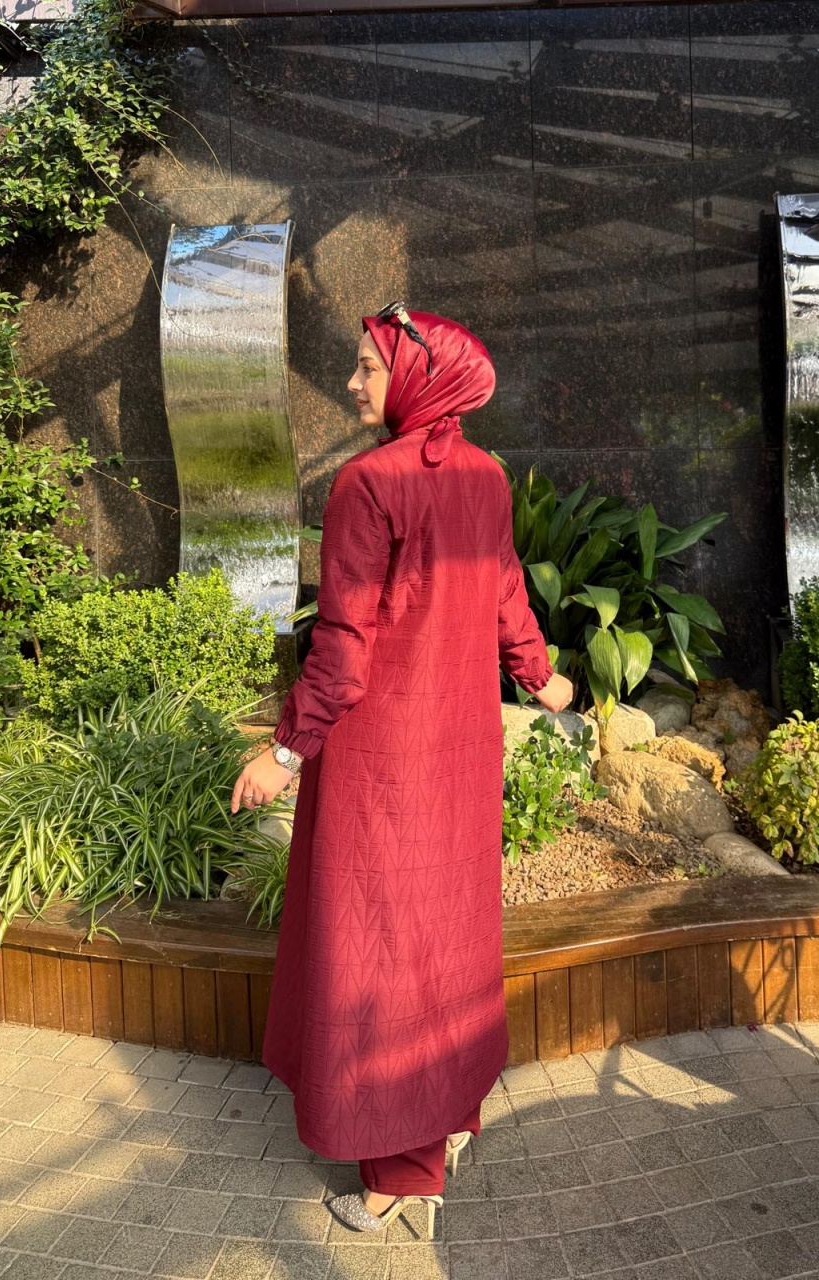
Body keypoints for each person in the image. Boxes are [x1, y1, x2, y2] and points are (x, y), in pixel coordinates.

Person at [231, 303, 573, 1239]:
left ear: (418, 378)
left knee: (376, 944)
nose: (352, 383)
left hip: (380, 763)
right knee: (442, 936)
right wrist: (538, 673)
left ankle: (398, 1175)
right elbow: (505, 585)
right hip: (457, 753)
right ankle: (442, 1113)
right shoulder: (485, 476)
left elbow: (342, 648)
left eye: (367, 368)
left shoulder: (366, 483)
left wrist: (284, 752)